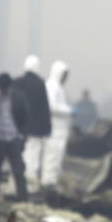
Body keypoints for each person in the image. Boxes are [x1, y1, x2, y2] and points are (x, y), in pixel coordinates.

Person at [0, 72, 30, 205]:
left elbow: (25, 118)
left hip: (14, 138)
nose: (4, 90)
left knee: (18, 170)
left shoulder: (19, 98)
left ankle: (23, 198)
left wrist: (22, 137)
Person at [14, 55, 51, 192]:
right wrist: (47, 127)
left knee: (17, 154)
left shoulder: (16, 82)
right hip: (34, 128)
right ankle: (29, 184)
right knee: (32, 155)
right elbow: (44, 107)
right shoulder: (40, 83)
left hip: (16, 127)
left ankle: (17, 182)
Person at [41, 60, 71, 189]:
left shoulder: (59, 87)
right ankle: (48, 183)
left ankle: (51, 182)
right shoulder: (52, 86)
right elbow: (52, 106)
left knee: (56, 158)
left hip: (60, 130)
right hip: (54, 129)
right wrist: (69, 110)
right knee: (51, 157)